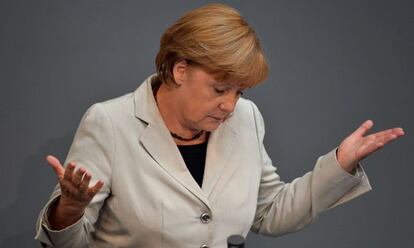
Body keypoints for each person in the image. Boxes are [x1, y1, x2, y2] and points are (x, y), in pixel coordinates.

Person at [35, 3, 404, 248]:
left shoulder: (247, 118)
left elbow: (269, 212)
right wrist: (70, 208)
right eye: (220, 88)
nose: (230, 105)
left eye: (240, 92)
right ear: (180, 70)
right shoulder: (109, 123)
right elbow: (67, 243)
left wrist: (338, 165)